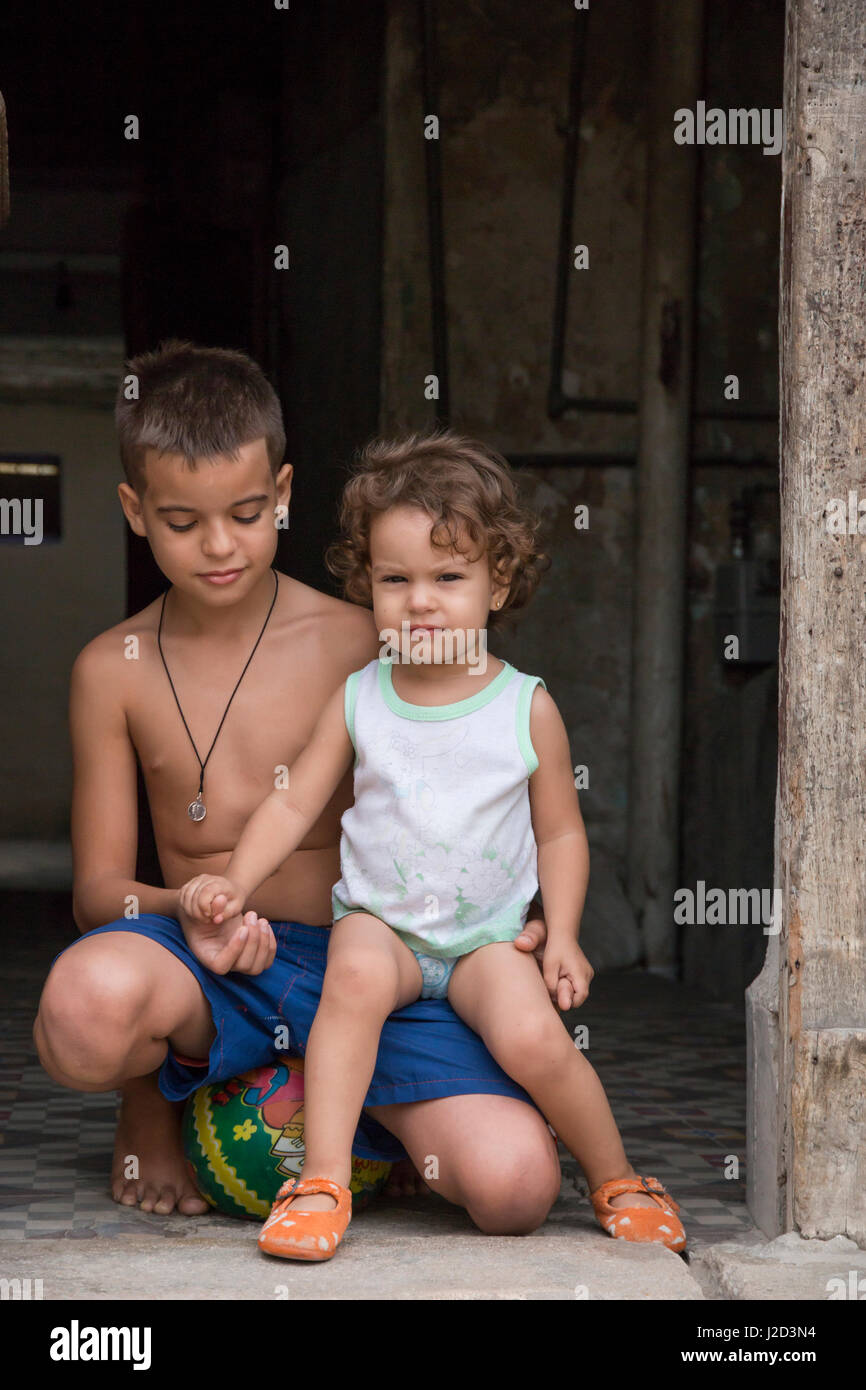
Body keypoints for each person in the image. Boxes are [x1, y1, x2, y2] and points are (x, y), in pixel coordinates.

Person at [33, 340, 561, 1233]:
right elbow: (98, 892)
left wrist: (526, 913)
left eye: (245, 513)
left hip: (371, 967)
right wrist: (195, 911)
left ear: (282, 492)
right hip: (214, 975)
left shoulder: (369, 638)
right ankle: (153, 1102)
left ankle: (364, 1110)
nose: (218, 546)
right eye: (180, 521)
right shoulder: (110, 670)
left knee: (515, 1187)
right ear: (133, 510)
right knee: (83, 1011)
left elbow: (485, 775)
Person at [180, 430, 687, 1260]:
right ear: (367, 583)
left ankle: (618, 1177)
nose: (420, 601)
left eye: (448, 578)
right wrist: (233, 879)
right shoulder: (361, 698)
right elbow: (293, 802)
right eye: (395, 579)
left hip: (487, 940)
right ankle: (323, 1181)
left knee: (534, 1041)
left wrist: (559, 932)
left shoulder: (525, 708)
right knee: (350, 981)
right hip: (383, 925)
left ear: (499, 583)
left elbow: (560, 831)